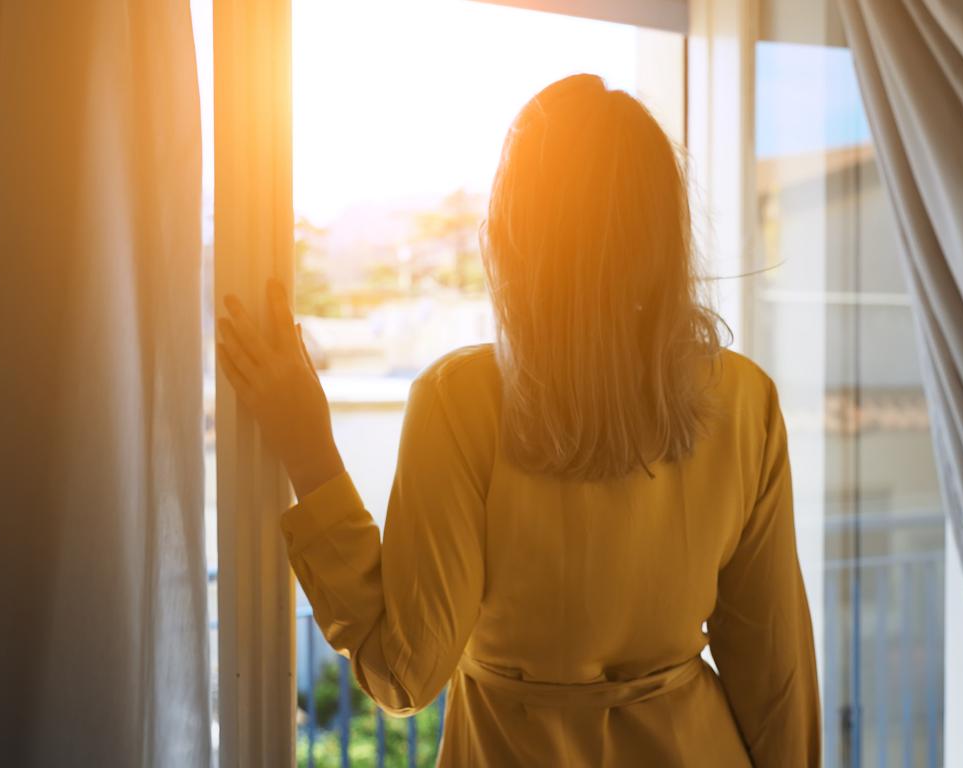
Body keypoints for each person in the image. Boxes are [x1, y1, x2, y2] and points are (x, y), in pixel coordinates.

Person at [217, 74, 820, 766]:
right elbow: (776, 686)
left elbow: (403, 674)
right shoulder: (744, 402)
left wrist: (308, 448)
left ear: (516, 234)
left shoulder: (460, 401)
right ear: (663, 233)